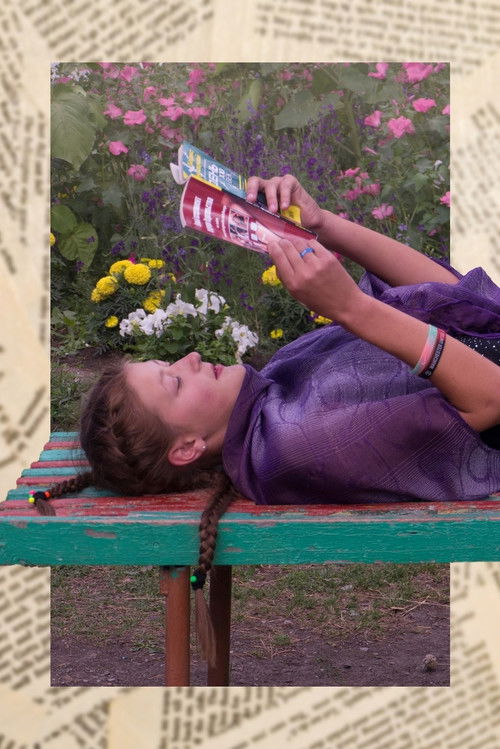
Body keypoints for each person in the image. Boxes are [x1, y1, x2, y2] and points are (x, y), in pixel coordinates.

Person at [35, 174, 500, 664]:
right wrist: (352, 309)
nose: (190, 358)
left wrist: (322, 227)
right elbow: (491, 398)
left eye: (168, 363)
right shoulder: (294, 442)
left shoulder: (275, 387)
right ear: (187, 447)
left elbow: (461, 302)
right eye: (174, 382)